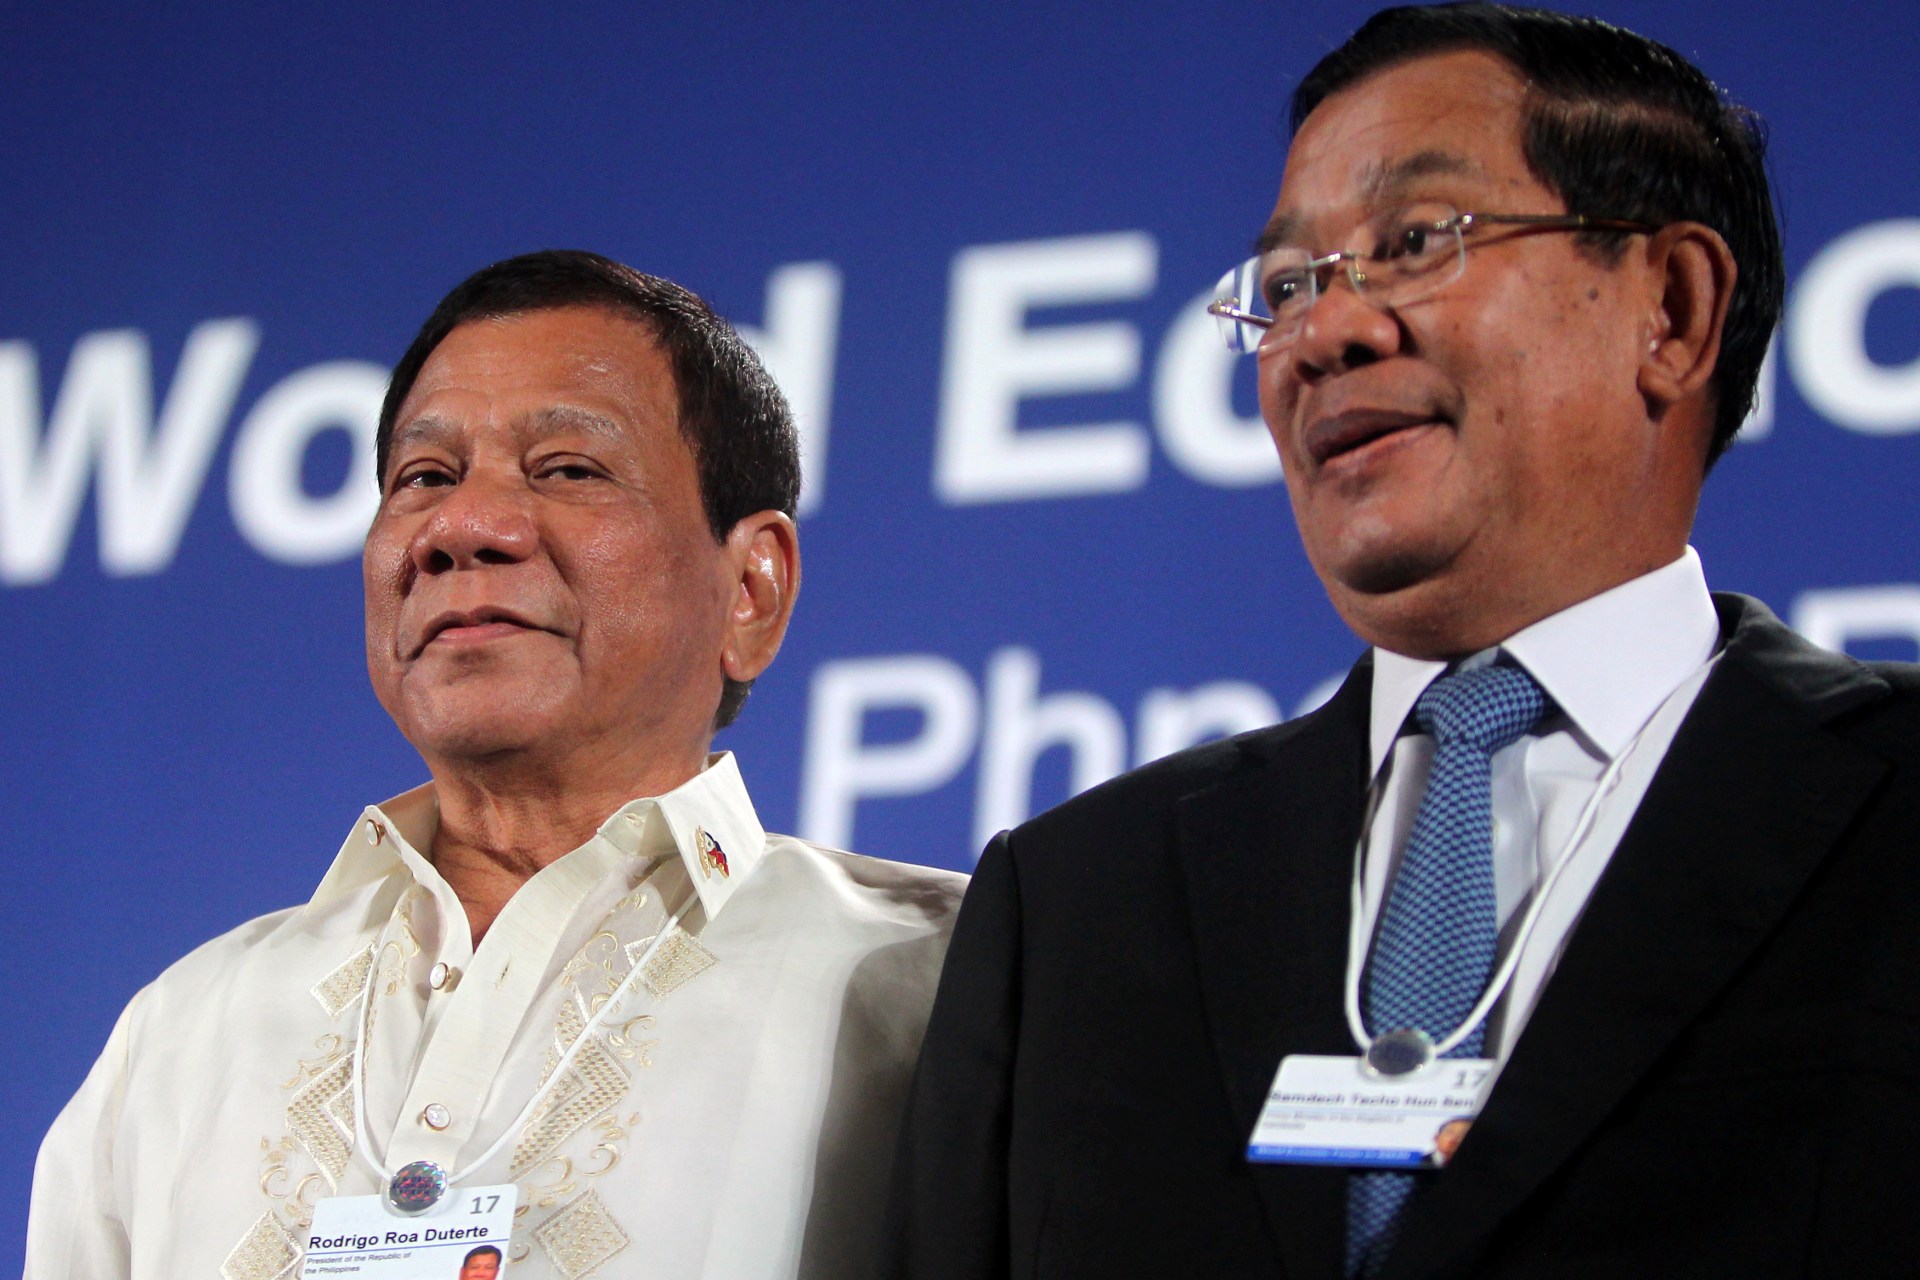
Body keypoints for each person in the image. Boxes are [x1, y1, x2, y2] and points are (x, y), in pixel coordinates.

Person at [885, 6, 1920, 1278]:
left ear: (1673, 308)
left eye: (1418, 240)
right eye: (1286, 286)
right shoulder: (1072, 907)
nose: (1323, 333)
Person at [27, 250, 965, 1280]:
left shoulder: (937, 980)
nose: (461, 526)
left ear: (751, 588)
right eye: (424, 478)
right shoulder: (181, 1033)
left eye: (568, 469)